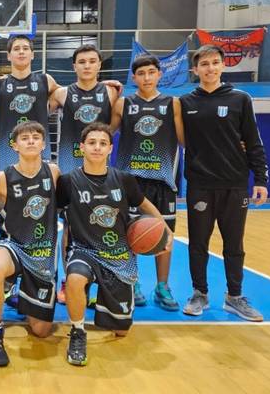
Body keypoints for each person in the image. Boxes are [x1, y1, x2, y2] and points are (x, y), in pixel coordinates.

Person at [57, 122, 172, 366]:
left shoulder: (124, 179)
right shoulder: (67, 181)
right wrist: (64, 257)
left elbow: (145, 205)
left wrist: (165, 230)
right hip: (84, 250)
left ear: (110, 148)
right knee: (75, 279)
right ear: (81, 147)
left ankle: (105, 304)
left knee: (121, 330)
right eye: (91, 143)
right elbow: (59, 220)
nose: (97, 147)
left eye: (103, 143)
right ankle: (77, 331)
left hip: (119, 255)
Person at [179, 45, 268, 321]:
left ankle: (234, 297)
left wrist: (260, 179)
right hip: (200, 184)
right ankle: (199, 294)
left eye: (215, 62)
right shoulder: (185, 102)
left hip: (235, 183)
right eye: (204, 64)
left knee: (234, 244)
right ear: (195, 70)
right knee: (198, 243)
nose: (210, 68)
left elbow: (253, 141)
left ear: (223, 65)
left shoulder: (240, 99)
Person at [0, 121, 60, 367]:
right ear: (14, 146)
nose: (31, 141)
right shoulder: (2, 178)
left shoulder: (54, 172)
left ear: (43, 144)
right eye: (24, 138)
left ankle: (19, 294)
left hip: (42, 252)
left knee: (41, 330)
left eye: (36, 137)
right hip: (12, 245)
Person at [110, 54, 184, 310]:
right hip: (130, 181)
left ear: (159, 74)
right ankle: (132, 282)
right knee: (127, 234)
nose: (147, 77)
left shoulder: (173, 104)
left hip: (162, 182)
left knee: (164, 235)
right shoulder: (123, 104)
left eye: (151, 72)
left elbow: (185, 140)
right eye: (141, 73)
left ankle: (162, 286)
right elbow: (105, 133)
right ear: (134, 78)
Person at [51, 44, 119, 304]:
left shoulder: (111, 93)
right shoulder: (61, 93)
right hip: (71, 171)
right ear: (74, 66)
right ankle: (68, 280)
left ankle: (102, 281)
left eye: (92, 61)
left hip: (101, 173)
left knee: (102, 224)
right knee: (69, 227)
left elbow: (114, 126)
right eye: (82, 61)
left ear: (99, 65)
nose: (87, 65)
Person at [0, 35, 61, 171]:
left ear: (32, 54)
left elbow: (71, 95)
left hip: (40, 152)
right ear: (8, 56)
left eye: (25, 48)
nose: (21, 52)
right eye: (16, 49)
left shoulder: (46, 80)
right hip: (8, 151)